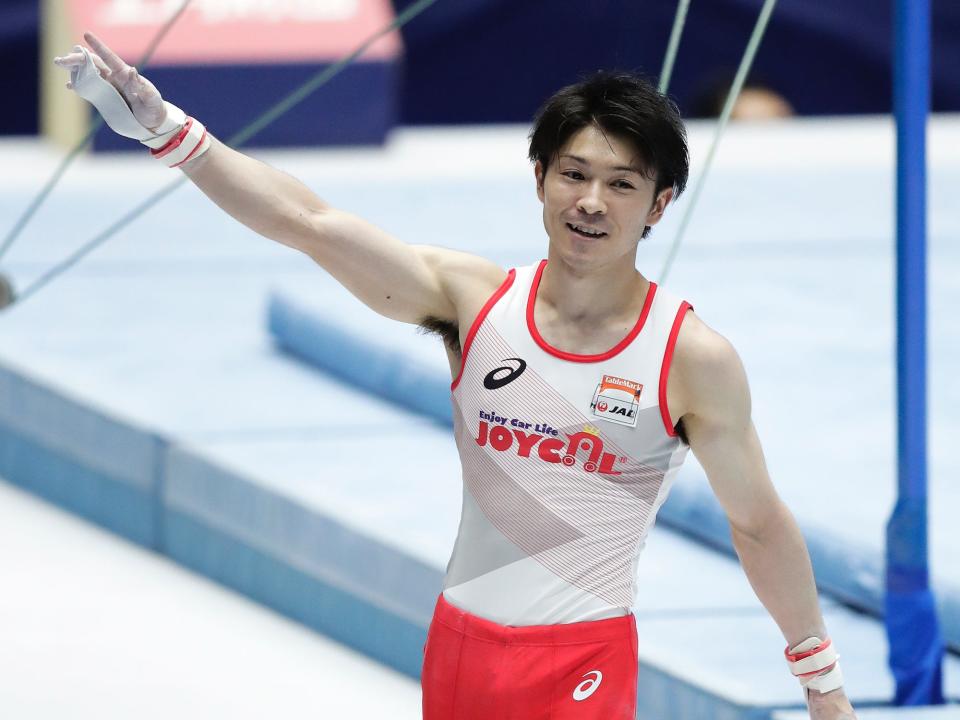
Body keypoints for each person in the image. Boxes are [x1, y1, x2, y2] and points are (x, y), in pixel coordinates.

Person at [55, 32, 858, 720]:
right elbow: (308, 224)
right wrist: (167, 130)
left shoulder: (689, 358)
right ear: (539, 176)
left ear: (659, 205)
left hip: (582, 656)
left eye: (622, 184)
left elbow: (757, 523)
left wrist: (819, 680)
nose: (591, 201)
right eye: (574, 174)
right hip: (461, 645)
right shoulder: (474, 304)